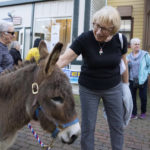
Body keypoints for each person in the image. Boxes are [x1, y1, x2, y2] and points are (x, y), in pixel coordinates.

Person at [57, 6, 129, 150]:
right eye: (95, 25)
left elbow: (123, 61)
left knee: (117, 126)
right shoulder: (85, 38)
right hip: (88, 89)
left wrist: (125, 86)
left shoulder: (120, 40)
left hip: (113, 88)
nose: (97, 31)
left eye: (103, 29)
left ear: (112, 30)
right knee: (88, 127)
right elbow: (64, 59)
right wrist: (42, 73)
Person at [127, 38, 150, 119]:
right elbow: (126, 67)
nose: (137, 45)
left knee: (143, 97)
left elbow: (149, 65)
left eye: (138, 44)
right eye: (135, 44)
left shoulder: (145, 54)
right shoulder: (128, 56)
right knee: (132, 97)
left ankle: (143, 112)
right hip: (132, 79)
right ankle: (134, 113)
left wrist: (147, 73)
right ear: (131, 46)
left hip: (142, 79)